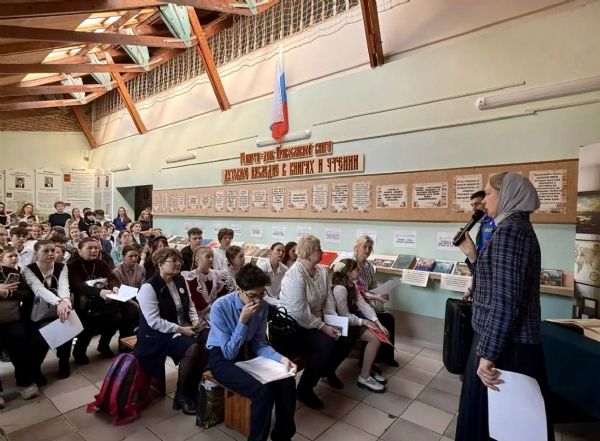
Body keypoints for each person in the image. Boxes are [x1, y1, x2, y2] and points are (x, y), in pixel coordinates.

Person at [454, 172, 554, 441]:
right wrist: (473, 256)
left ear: (507, 194)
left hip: (506, 344)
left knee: (497, 423)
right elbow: (493, 282)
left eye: (488, 193)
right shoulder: (509, 227)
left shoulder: (511, 231)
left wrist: (488, 354)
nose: (483, 201)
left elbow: (505, 300)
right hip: (500, 337)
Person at [207, 264, 297, 441]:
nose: (257, 301)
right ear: (238, 289)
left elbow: (259, 343)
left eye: (262, 294)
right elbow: (228, 353)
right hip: (221, 356)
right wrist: (243, 321)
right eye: (252, 295)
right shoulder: (220, 307)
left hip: (247, 350)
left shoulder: (262, 306)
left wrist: (280, 359)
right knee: (262, 390)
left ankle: (283, 435)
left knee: (286, 380)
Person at [279, 235, 354, 410]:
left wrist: (333, 320)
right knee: (325, 344)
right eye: (319, 249)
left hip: (318, 321)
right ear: (308, 252)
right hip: (296, 325)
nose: (322, 252)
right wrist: (323, 327)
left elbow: (328, 300)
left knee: (347, 334)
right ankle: (305, 389)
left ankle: (328, 370)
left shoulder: (321, 271)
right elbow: (299, 312)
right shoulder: (294, 275)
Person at [135, 248, 208, 415]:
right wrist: (181, 329)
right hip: (156, 334)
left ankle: (193, 387)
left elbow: (189, 304)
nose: (178, 264)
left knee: (209, 340)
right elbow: (154, 322)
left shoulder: (180, 279)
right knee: (192, 348)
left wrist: (195, 321)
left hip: (181, 326)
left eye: (179, 260)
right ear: (160, 264)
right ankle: (181, 395)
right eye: (173, 261)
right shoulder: (148, 287)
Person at [331, 258, 387, 392]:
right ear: (349, 273)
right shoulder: (340, 289)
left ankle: (365, 374)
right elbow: (344, 316)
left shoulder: (353, 284)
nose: (360, 270)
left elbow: (364, 306)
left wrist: (377, 322)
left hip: (352, 322)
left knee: (376, 337)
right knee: (374, 338)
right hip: (340, 325)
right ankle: (365, 377)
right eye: (357, 269)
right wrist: (366, 322)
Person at [22, 240, 73, 380]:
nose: (51, 254)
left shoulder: (62, 266)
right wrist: (59, 302)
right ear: (36, 253)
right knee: (42, 337)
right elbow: (39, 289)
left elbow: (63, 286)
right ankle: (36, 368)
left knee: (67, 327)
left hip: (59, 308)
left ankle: (64, 361)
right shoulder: (28, 269)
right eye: (46, 251)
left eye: (53, 250)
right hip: (37, 312)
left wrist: (66, 302)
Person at [68, 238, 121, 364]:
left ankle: (103, 345)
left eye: (96, 248)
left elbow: (111, 278)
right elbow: (77, 286)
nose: (94, 250)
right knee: (88, 323)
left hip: (103, 301)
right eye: (90, 248)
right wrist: (99, 292)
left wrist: (114, 286)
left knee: (116, 318)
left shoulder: (101, 263)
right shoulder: (72, 265)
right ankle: (79, 351)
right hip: (82, 303)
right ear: (79, 251)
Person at [353, 235, 399, 367]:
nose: (367, 250)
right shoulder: (351, 264)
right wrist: (375, 297)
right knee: (379, 321)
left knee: (389, 318)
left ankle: (387, 356)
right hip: (356, 304)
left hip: (368, 302)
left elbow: (373, 285)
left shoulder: (368, 265)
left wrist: (380, 293)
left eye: (370, 247)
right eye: (364, 247)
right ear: (357, 247)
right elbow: (357, 291)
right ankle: (369, 362)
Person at [0, 257, 39, 399]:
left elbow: (27, 295)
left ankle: (25, 383)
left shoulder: (10, 272)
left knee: (21, 351)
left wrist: (7, 293)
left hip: (12, 319)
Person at [182, 247, 233, 322]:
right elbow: (198, 303)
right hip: (199, 315)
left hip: (213, 310)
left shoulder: (214, 273)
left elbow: (220, 294)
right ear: (197, 259)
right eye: (208, 257)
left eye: (212, 256)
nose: (211, 259)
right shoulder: (192, 277)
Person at [112, 245, 144, 338]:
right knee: (131, 311)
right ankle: (124, 339)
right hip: (123, 299)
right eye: (130, 256)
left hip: (138, 295)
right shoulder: (117, 272)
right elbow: (120, 293)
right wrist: (135, 303)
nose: (134, 258)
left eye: (136, 256)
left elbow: (142, 286)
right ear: (123, 257)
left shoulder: (141, 268)